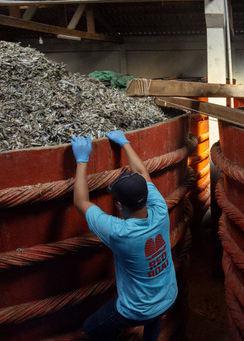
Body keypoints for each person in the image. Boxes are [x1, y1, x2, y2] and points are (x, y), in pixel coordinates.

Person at [70, 130, 177, 341]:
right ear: (146, 196)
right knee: (154, 316)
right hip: (168, 296)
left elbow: (81, 202)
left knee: (91, 327)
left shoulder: (120, 233)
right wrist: (125, 142)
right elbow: (143, 173)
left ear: (118, 205)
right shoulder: (160, 210)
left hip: (136, 310)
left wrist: (82, 161)